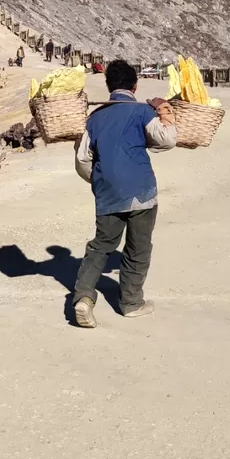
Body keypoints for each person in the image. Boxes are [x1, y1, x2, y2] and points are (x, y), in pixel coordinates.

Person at [71, 59, 177, 327]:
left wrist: (98, 181)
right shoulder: (142, 111)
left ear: (109, 86)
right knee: (138, 247)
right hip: (141, 190)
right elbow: (166, 139)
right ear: (135, 85)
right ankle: (131, 303)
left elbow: (83, 159)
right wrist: (163, 110)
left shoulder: (94, 119)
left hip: (108, 192)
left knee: (101, 246)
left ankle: (84, 297)